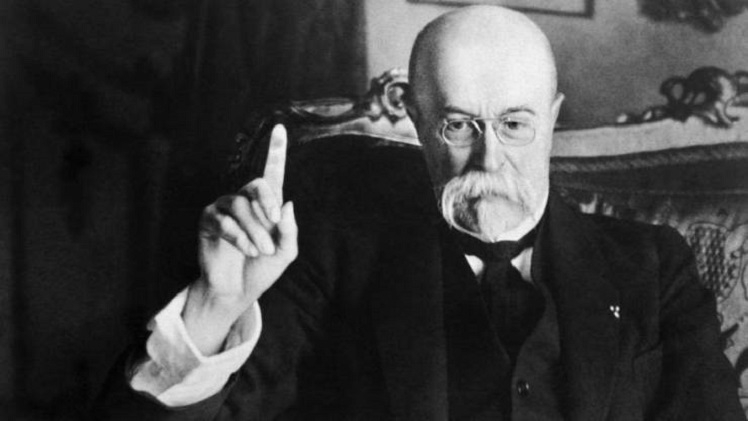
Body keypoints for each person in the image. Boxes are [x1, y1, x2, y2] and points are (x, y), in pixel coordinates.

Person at [94, 6, 746, 420]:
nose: (489, 158)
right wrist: (215, 304)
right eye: (458, 125)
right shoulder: (332, 252)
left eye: (515, 124)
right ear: (415, 118)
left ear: (552, 118)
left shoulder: (652, 264)